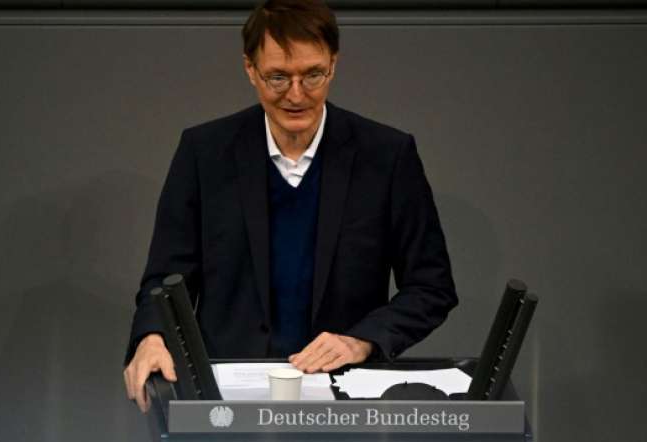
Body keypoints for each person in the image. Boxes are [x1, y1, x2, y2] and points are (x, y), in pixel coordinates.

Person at [123, 0, 457, 412]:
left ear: (333, 65)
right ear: (250, 69)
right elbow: (165, 278)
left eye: (312, 75)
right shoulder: (204, 153)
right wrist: (152, 337)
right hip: (227, 400)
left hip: (346, 398)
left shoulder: (387, 156)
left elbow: (431, 287)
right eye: (278, 77)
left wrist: (361, 340)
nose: (296, 95)